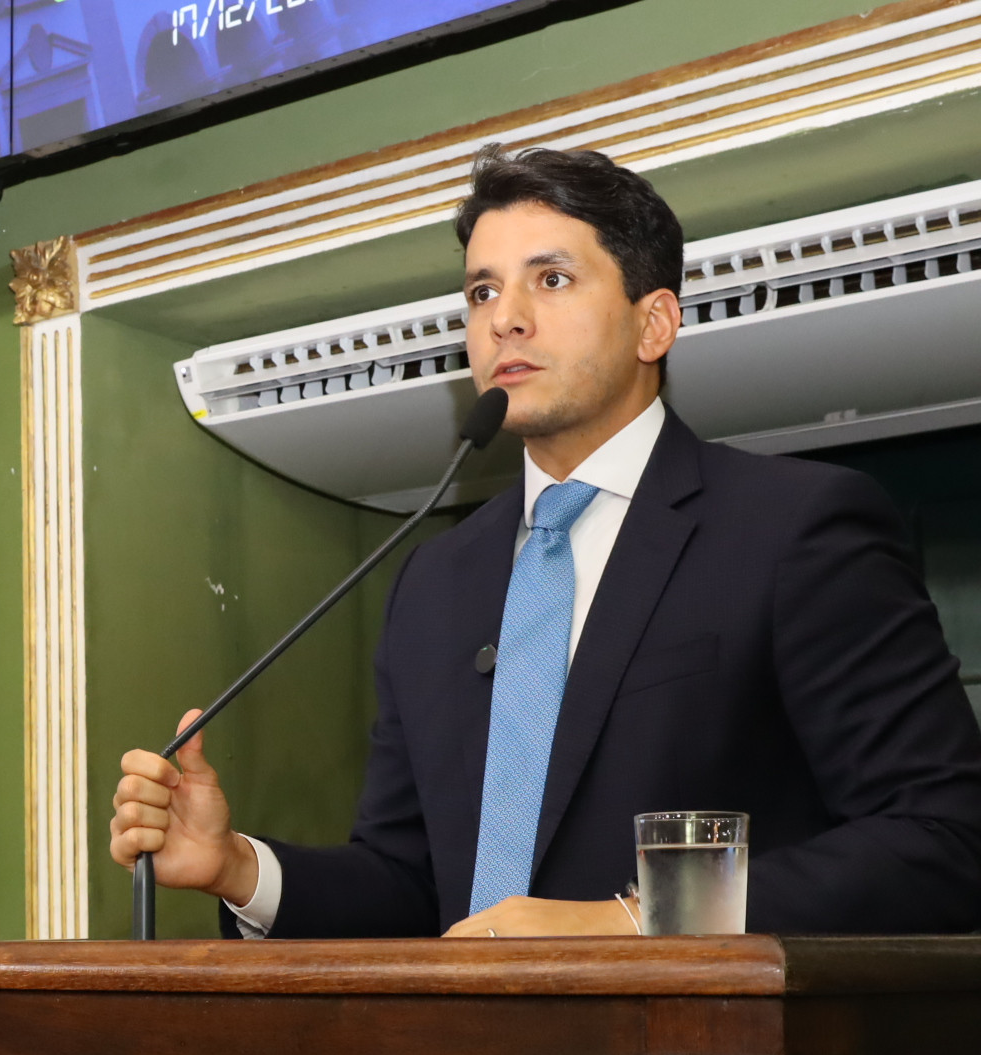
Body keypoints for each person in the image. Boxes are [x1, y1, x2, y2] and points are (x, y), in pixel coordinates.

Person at [109, 145, 981, 938]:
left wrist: (628, 926)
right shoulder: (436, 580)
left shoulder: (793, 527)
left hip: (699, 1054)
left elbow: (944, 839)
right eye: (482, 292)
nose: (506, 320)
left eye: (552, 279)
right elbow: (414, 887)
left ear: (654, 324)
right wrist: (237, 869)